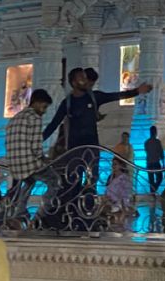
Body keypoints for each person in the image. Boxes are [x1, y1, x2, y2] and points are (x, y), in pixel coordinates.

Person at [42, 67, 152, 227]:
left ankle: (87, 214)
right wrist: (38, 141)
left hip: (91, 149)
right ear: (73, 82)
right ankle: (68, 215)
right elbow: (53, 123)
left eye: (85, 77)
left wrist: (137, 91)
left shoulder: (94, 97)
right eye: (81, 78)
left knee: (91, 181)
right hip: (73, 151)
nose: (85, 80)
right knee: (72, 181)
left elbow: (116, 96)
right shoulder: (68, 103)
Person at [4, 88, 53, 221]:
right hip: (29, 164)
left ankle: (19, 212)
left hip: (14, 166)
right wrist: (45, 160)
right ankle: (42, 215)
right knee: (56, 181)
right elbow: (36, 147)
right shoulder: (35, 118)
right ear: (36, 103)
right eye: (44, 107)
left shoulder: (15, 117)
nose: (44, 111)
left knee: (29, 181)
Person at [103, 157, 135, 230]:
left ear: (121, 165)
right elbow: (107, 191)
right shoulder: (110, 177)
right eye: (112, 164)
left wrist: (122, 207)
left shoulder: (124, 179)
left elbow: (125, 195)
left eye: (115, 164)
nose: (113, 166)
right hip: (109, 203)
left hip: (118, 205)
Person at [144, 126, 165, 193]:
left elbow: (147, 151)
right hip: (156, 162)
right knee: (159, 178)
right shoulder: (157, 142)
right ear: (156, 132)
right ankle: (154, 189)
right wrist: (163, 162)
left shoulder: (146, 142)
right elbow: (161, 152)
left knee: (151, 180)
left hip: (149, 162)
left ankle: (152, 192)